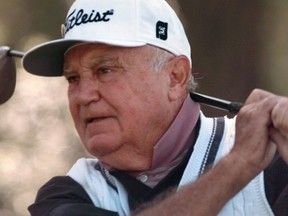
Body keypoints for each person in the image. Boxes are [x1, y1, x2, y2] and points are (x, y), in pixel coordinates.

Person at [22, 0, 288, 215]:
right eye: (73, 79)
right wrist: (238, 165)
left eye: (105, 70)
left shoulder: (273, 162)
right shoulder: (65, 195)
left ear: (175, 77)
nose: (82, 95)